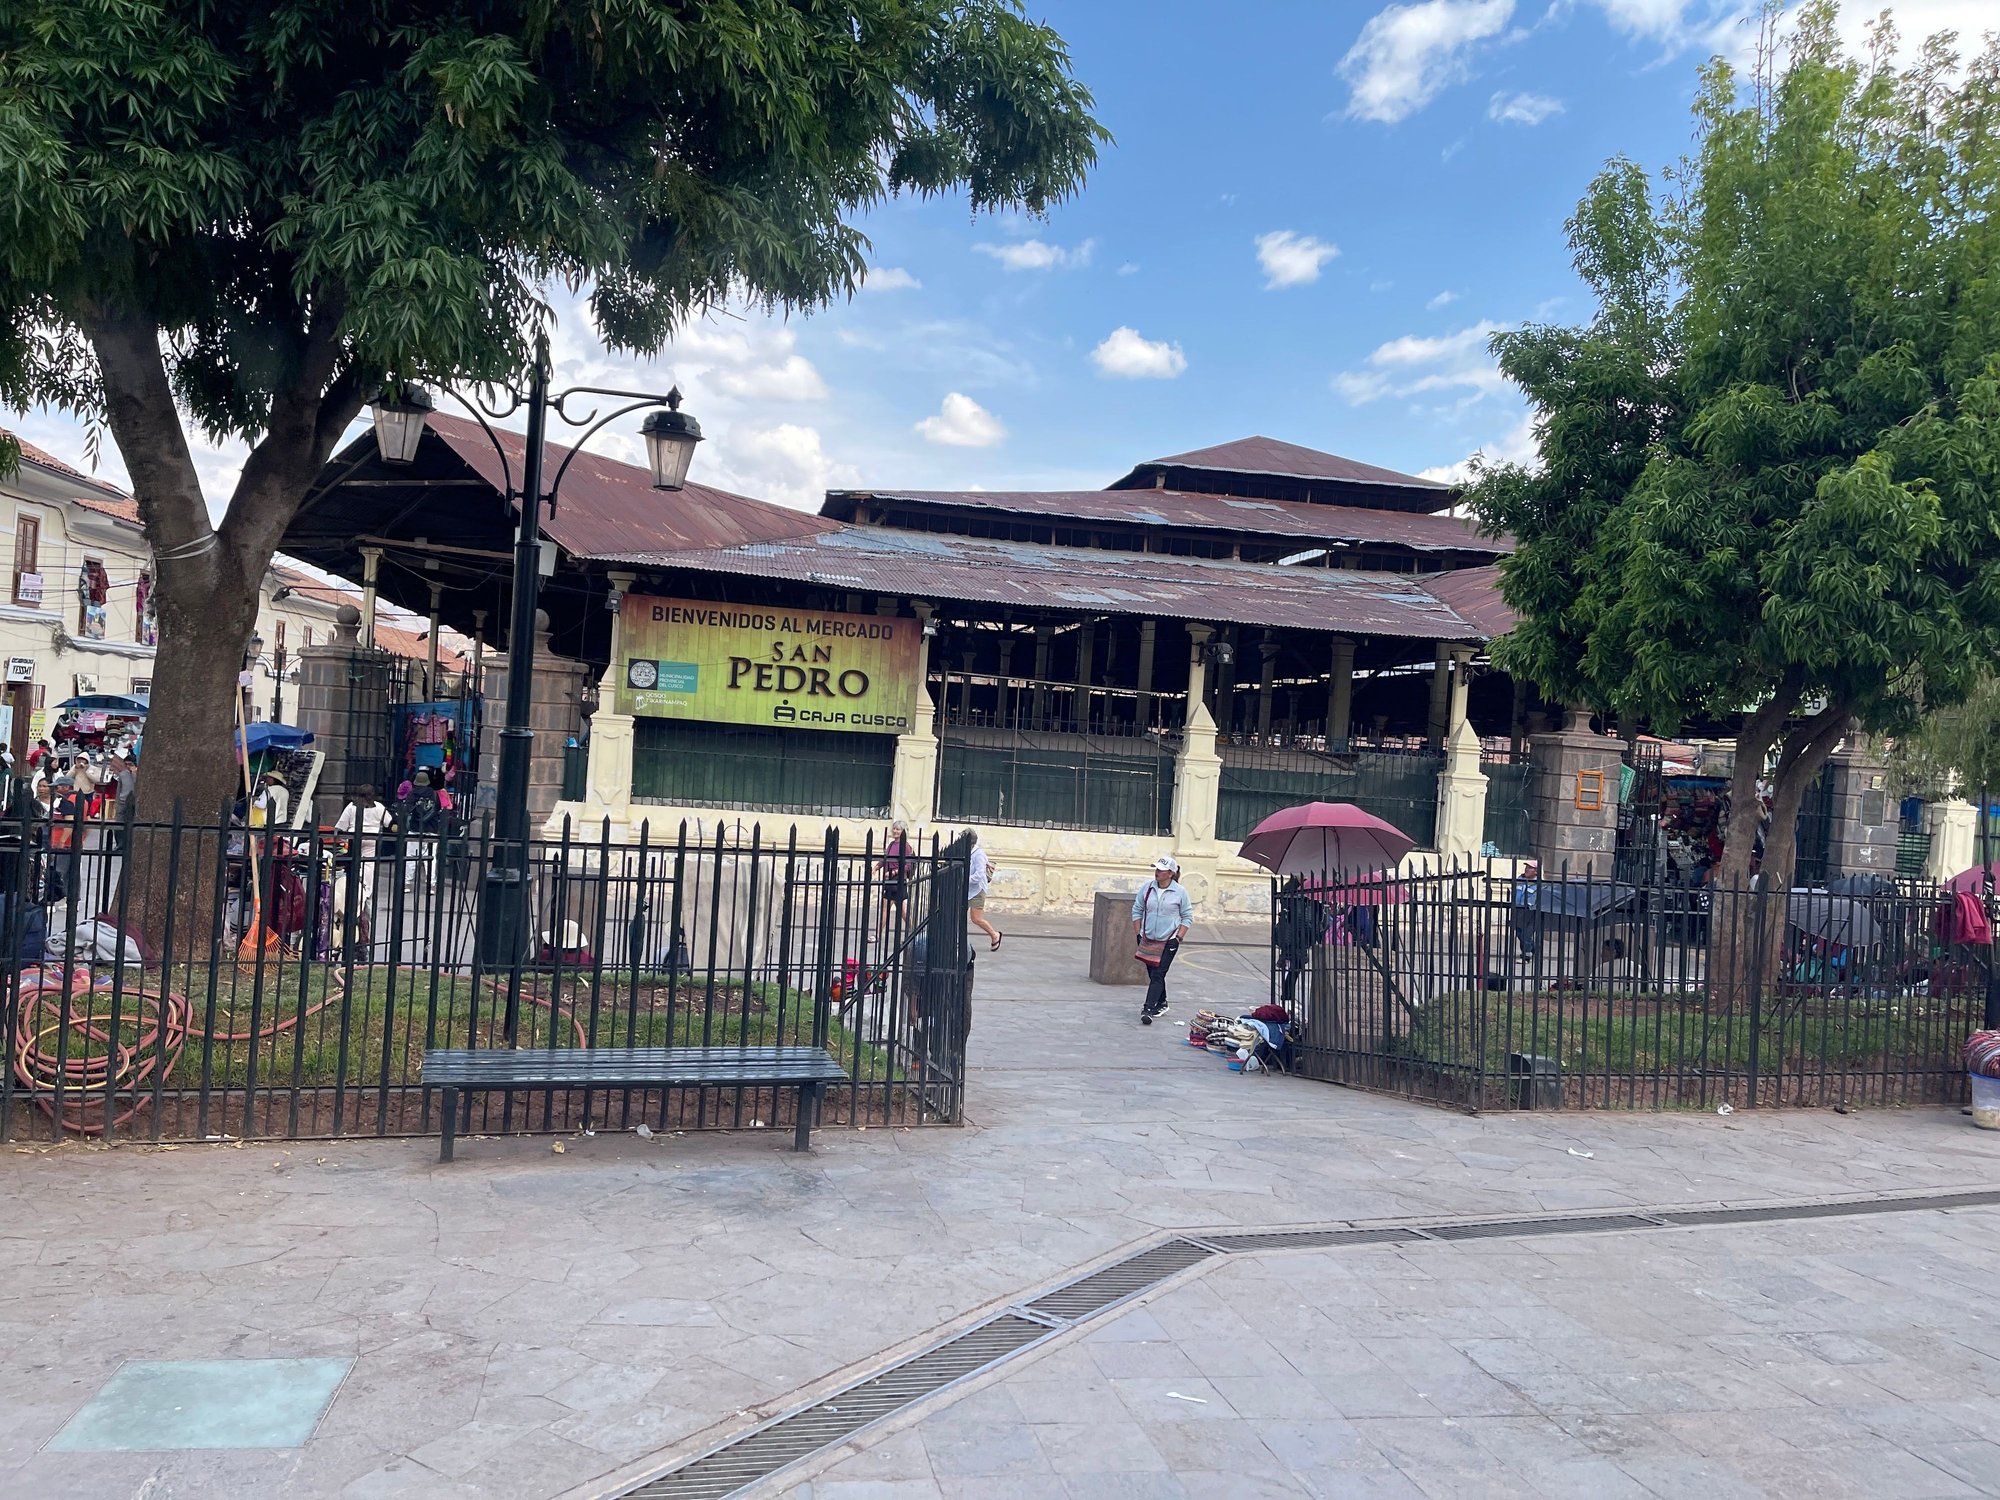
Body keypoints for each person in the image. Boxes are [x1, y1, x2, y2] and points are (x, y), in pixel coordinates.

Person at [1132, 854, 1192, 1024]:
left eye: (1161, 870)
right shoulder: (1147, 888)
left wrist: (1178, 937)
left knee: (1159, 973)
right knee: (1153, 973)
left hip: (1169, 939)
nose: (1157, 872)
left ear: (1171, 873)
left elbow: (1187, 916)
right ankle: (1162, 1002)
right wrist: (1138, 933)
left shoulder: (1180, 892)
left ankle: (1148, 1009)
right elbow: (1137, 909)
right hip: (1147, 938)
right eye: (1157, 869)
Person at [333, 784, 393, 910]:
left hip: (354, 836)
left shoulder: (352, 806)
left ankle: (353, 885)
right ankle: (367, 890)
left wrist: (338, 836)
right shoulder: (379, 807)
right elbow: (389, 822)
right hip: (372, 837)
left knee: (353, 862)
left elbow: (341, 825)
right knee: (369, 865)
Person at [963, 828, 1002, 951]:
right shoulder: (967, 852)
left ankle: (995, 935)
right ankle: (960, 940)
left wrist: (964, 879)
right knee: (959, 915)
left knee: (976, 918)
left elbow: (979, 875)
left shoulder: (978, 854)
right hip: (967, 889)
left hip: (977, 890)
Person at [879, 820, 916, 928]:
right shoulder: (891, 844)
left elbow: (908, 866)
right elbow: (885, 859)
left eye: (898, 829)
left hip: (897, 880)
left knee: (888, 908)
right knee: (900, 909)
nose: (895, 831)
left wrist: (894, 872)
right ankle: (913, 931)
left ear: (903, 831)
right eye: (894, 828)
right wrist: (876, 867)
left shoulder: (905, 846)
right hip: (890, 880)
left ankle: (877, 934)